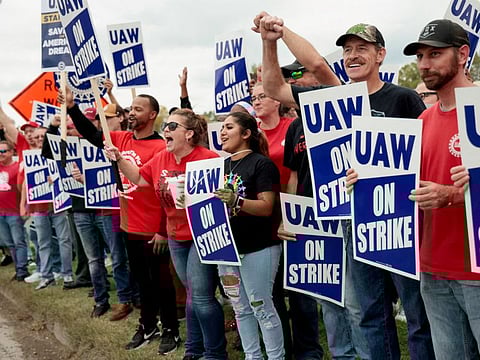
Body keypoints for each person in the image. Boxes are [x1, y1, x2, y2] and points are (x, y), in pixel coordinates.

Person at [254, 12, 434, 360]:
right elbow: (275, 87)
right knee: (368, 314)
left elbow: (425, 156)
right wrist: (268, 42)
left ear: (380, 54)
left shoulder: (402, 99)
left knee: (417, 315)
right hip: (352, 223)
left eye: (362, 48)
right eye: (348, 49)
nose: (353, 55)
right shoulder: (332, 99)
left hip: (399, 222)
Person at [58, 87, 180, 354]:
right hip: (129, 226)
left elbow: (165, 192)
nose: (131, 112)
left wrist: (162, 230)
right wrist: (72, 107)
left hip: (154, 229)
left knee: (161, 282)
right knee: (142, 282)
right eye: (131, 108)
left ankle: (171, 329)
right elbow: (92, 134)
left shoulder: (162, 147)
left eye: (138, 109)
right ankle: (148, 326)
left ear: (152, 114)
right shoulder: (122, 138)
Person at [104, 109, 228, 360]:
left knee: (201, 296)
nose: (166, 130)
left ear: (189, 134)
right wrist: (118, 158)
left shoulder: (208, 158)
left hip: (201, 234)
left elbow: (223, 198)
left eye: (173, 126)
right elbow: (139, 178)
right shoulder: (162, 157)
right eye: (166, 126)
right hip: (175, 236)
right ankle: (194, 350)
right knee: (193, 294)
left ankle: (215, 353)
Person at [403, 19, 480, 359]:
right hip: (432, 268)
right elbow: (408, 185)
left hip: (475, 269)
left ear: (463, 54)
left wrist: (451, 195)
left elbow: (451, 190)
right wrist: (363, 183)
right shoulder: (423, 120)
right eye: (420, 56)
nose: (424, 65)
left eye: (435, 54)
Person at [214, 111, 284, 359]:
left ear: (245, 134)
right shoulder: (219, 166)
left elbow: (266, 208)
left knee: (261, 307)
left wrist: (236, 200)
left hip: (259, 247)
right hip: (227, 249)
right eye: (222, 127)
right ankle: (253, 356)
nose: (222, 131)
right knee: (240, 308)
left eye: (229, 127)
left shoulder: (261, 164)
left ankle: (276, 357)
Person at [0, 140, 28, 281]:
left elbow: (24, 187)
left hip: (14, 211)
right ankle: (18, 268)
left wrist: (24, 206)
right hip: (1, 213)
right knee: (9, 243)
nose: (1, 154)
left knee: (19, 241)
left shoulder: (18, 167)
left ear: (12, 152)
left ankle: (22, 270)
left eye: (4, 151)